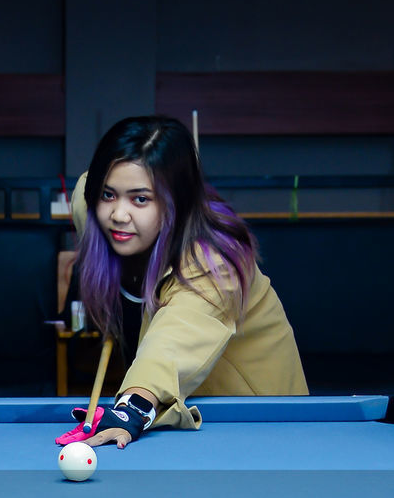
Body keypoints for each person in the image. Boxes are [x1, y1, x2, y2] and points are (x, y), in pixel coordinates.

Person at [69, 115, 308, 448]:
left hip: (264, 424)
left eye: (140, 199)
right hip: (185, 416)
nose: (119, 215)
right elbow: (85, 189)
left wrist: (131, 407)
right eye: (109, 195)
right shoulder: (95, 210)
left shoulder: (214, 260)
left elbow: (176, 338)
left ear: (177, 205)